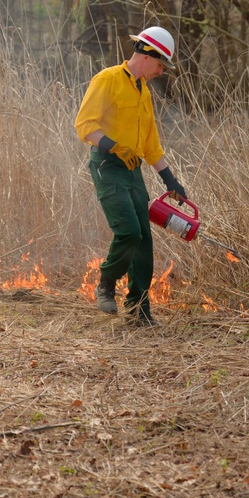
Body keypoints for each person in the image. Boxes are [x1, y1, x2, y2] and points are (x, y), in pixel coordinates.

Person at [74, 26, 188, 327]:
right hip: (107, 166)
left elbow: (151, 145)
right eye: (161, 64)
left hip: (133, 169)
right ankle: (106, 284)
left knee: (144, 243)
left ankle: (139, 310)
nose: (162, 72)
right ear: (148, 55)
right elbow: (85, 124)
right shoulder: (108, 79)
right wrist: (114, 148)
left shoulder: (144, 92)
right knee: (128, 232)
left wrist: (170, 181)